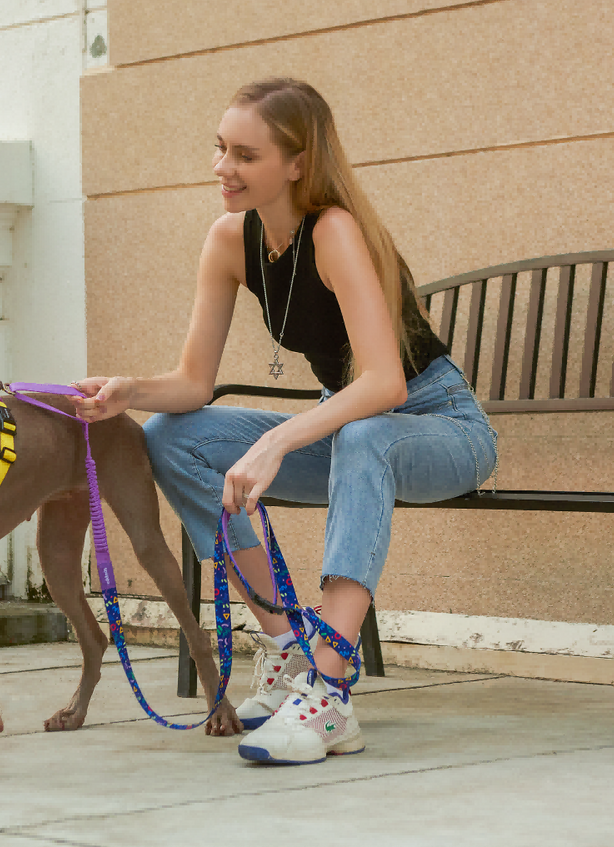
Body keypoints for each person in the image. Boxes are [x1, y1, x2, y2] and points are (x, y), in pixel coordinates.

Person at [73, 78, 497, 765]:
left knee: (363, 435)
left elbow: (385, 384)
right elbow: (192, 385)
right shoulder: (229, 239)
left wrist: (277, 439)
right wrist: (130, 389)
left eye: (244, 155)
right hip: (356, 427)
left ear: (295, 163)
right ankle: (284, 648)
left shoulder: (333, 230)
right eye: (219, 150)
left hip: (441, 428)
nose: (222, 168)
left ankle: (328, 696)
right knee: (172, 436)